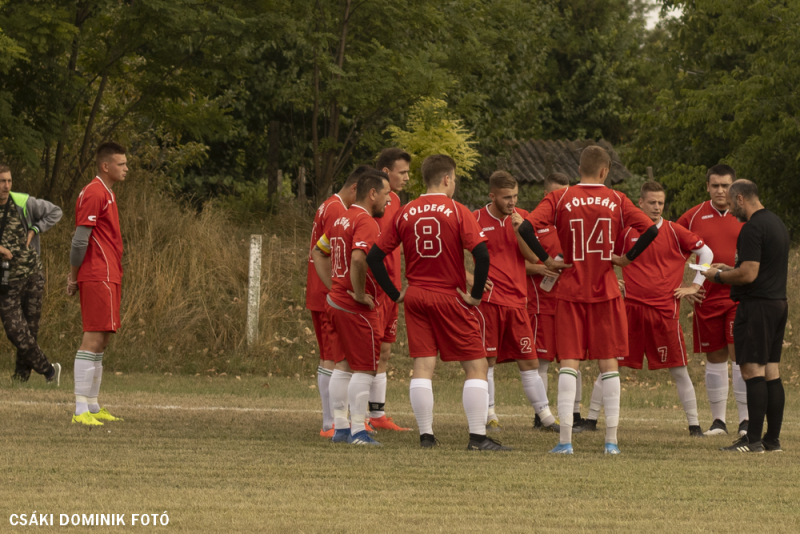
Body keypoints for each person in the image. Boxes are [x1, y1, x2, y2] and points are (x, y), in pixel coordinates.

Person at [517, 145, 658, 454]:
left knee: (569, 362)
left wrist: (546, 260)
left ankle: (565, 441)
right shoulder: (618, 200)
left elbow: (526, 228)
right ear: (605, 172)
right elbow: (650, 230)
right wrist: (627, 258)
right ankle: (611, 442)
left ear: (579, 169)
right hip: (606, 291)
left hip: (570, 291)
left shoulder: (561, 197)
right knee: (609, 365)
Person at [367, 154, 510, 451]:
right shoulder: (457, 211)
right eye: (454, 179)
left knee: (423, 365)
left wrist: (395, 294)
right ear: (447, 178)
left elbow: (374, 257)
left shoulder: (405, 211)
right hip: (449, 295)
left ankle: (426, 436)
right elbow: (481, 254)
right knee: (476, 365)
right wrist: (477, 294)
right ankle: (477, 437)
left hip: (417, 296)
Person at [584, 181, 712, 437]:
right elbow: (606, 256)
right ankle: (589, 420)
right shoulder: (627, 231)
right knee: (612, 365)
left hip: (665, 312)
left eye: (660, 203)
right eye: (651, 202)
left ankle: (694, 425)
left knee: (679, 369)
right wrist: (612, 279)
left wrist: (695, 286)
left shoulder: (675, 232)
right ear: (640, 203)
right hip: (629, 310)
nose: (656, 207)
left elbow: (707, 254)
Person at [702, 180, 789, 453]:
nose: (729, 207)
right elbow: (758, 267)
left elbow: (749, 274)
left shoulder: (751, 227)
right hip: (777, 303)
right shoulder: (776, 223)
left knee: (752, 371)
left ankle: (752, 440)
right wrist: (731, 267)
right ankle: (771, 440)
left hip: (757, 307)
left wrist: (717, 276)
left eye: (730, 201)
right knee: (771, 372)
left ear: (741, 199)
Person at [470, 171, 559, 433]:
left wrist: (520, 230)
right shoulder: (475, 218)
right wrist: (468, 278)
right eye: (507, 197)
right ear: (492, 196)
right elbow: (453, 254)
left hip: (519, 301)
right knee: (488, 360)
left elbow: (533, 258)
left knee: (529, 361)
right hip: (489, 301)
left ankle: (546, 417)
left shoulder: (523, 218)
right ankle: (490, 415)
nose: (512, 202)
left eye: (515, 196)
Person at [311, 170, 392, 446]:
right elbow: (359, 259)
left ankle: (341, 428)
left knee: (343, 366)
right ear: (372, 193)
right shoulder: (365, 221)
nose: (388, 200)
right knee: (365, 369)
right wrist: (358, 293)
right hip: (354, 308)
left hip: (335, 301)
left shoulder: (340, 218)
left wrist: (334, 284)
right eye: (386, 194)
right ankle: (359, 430)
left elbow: (318, 252)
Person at [677, 165, 748, 436]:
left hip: (738, 297)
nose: (721, 190)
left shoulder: (745, 214)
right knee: (715, 357)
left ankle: (745, 421)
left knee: (739, 356)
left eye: (726, 185)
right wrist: (683, 285)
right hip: (706, 298)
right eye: (715, 185)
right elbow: (673, 251)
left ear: (734, 187)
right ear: (707, 186)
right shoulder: (692, 216)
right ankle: (718, 421)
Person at [67, 142, 127, 426]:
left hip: (109, 273)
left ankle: (92, 405)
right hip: (96, 273)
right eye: (121, 163)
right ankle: (80, 410)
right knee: (92, 338)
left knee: (102, 340)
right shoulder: (93, 192)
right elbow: (80, 240)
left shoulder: (108, 193)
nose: (126, 168)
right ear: (106, 166)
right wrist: (72, 274)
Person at [305, 166, 365, 438]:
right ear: (355, 188)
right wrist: (336, 289)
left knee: (331, 356)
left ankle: (334, 420)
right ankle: (330, 423)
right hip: (327, 292)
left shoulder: (329, 205)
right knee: (333, 357)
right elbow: (328, 251)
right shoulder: (336, 210)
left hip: (322, 292)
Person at [526, 173, 584, 432]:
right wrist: (540, 268)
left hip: (574, 302)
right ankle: (542, 414)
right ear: (547, 197)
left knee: (574, 360)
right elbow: (516, 265)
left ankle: (576, 413)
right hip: (544, 305)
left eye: (566, 194)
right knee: (543, 362)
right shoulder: (533, 228)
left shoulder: (579, 224)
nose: (564, 200)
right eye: (557, 195)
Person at [0, 165, 63, 384]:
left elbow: (56, 212)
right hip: (6, 281)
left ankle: (21, 378)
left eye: (8, 181)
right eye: (1, 181)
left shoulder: (22, 202)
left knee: (30, 328)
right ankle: (48, 370)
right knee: (14, 330)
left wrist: (35, 229)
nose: (6, 186)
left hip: (32, 273)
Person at [367, 148, 412, 432]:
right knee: (364, 354)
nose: (407, 177)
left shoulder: (395, 200)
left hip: (392, 289)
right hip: (372, 288)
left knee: (384, 351)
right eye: (403, 172)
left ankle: (377, 415)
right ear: (385, 172)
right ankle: (353, 415)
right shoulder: (368, 203)